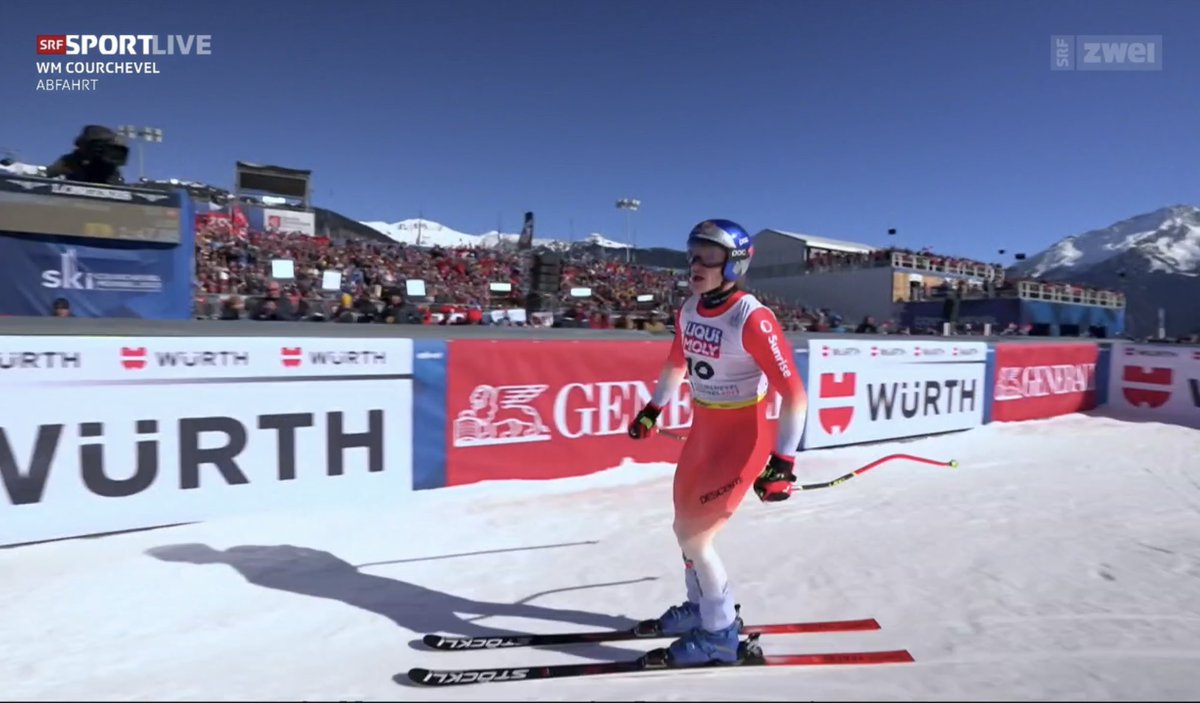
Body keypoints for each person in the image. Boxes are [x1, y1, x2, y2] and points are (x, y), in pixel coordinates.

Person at [627, 219, 808, 666]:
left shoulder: (752, 318)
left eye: (708, 256)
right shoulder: (689, 309)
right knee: (682, 530)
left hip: (743, 439)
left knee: (698, 537)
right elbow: (675, 364)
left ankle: (720, 632)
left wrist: (782, 461)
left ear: (735, 264)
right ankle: (700, 607)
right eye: (692, 253)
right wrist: (654, 407)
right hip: (703, 433)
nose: (695, 264)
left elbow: (794, 394)